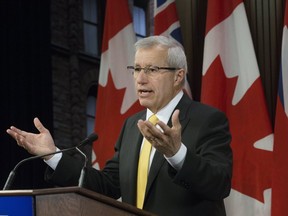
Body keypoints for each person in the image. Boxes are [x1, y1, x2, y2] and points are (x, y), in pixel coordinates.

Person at [7, 35, 232, 216]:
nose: (140, 79)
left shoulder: (208, 120)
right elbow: (107, 186)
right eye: (136, 69)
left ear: (178, 76)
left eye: (152, 70)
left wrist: (177, 154)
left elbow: (219, 184)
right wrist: (52, 155)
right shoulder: (132, 125)